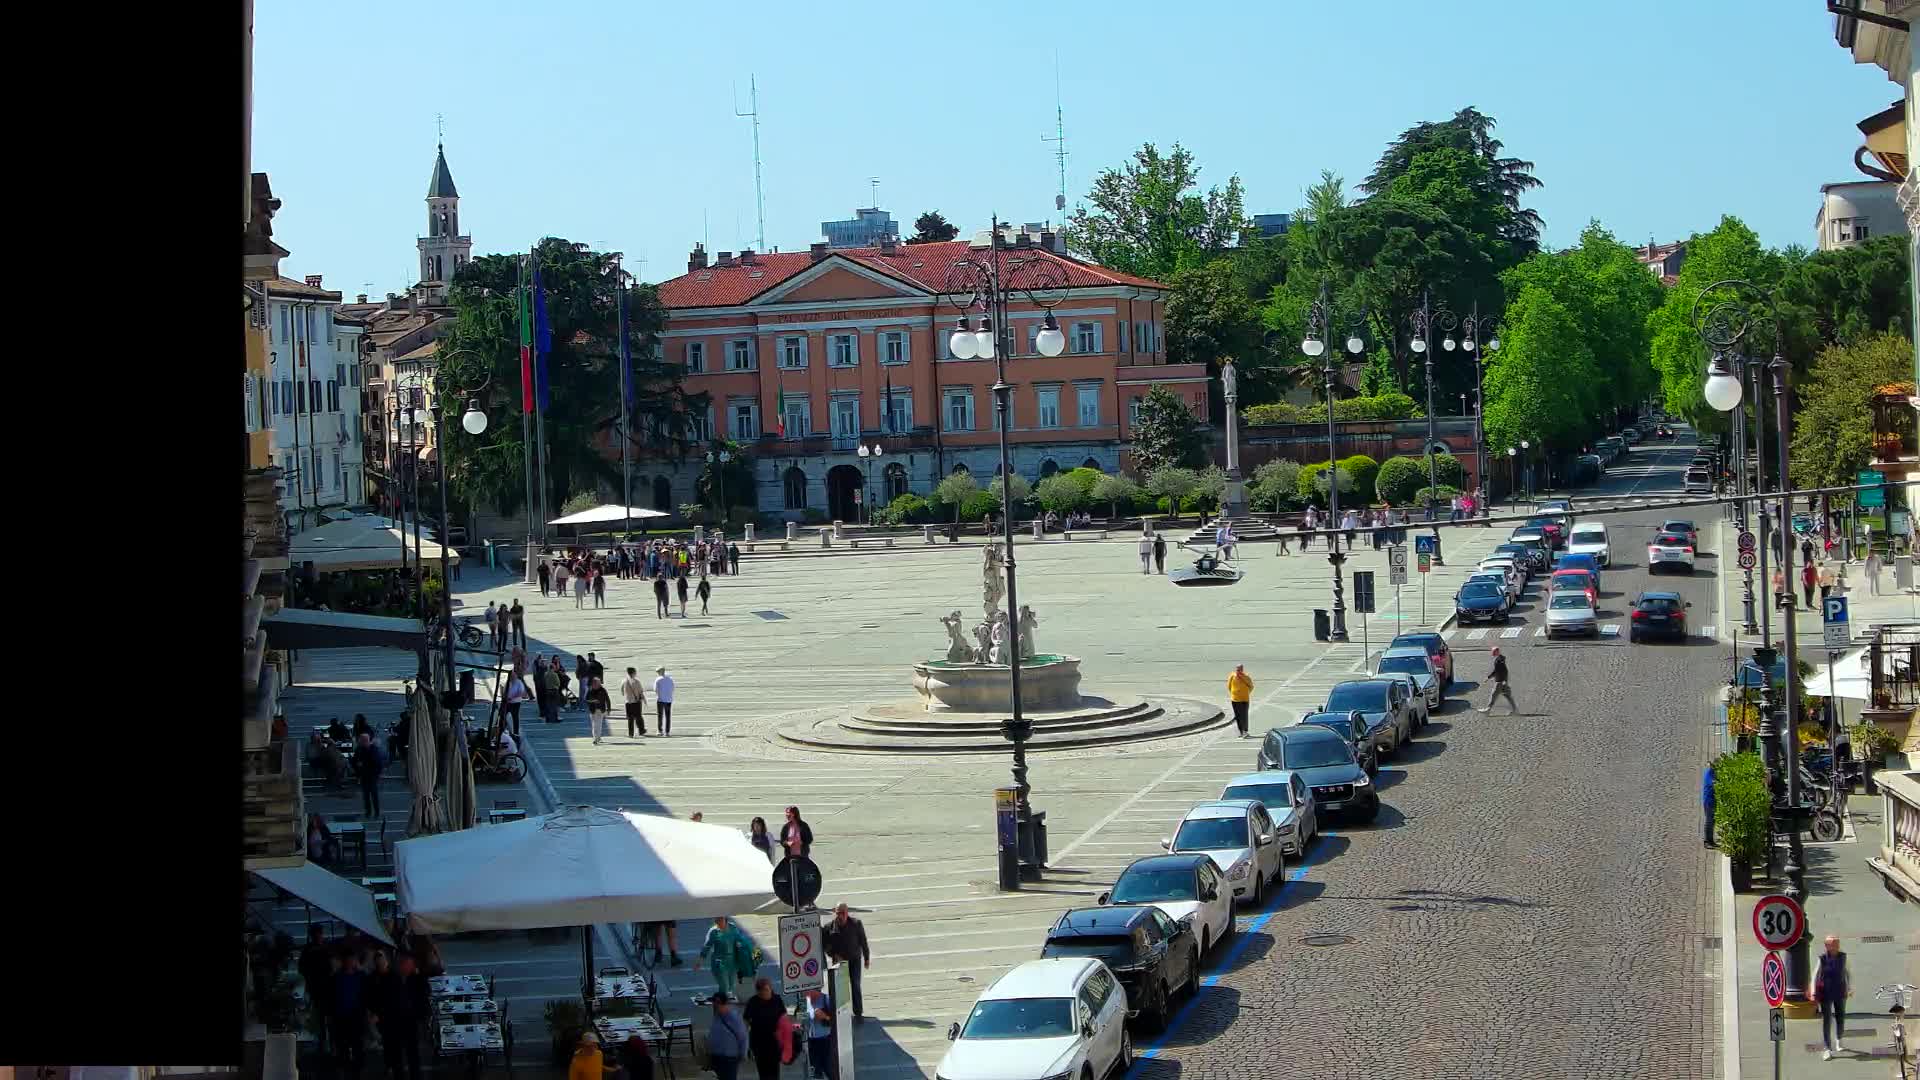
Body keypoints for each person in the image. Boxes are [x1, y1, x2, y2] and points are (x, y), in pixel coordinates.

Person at [370, 951, 428, 1080]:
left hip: (411, 1020)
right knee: (396, 1054)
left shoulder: (418, 979)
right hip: (394, 1020)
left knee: (412, 1053)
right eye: (402, 963)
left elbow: (423, 998)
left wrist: (420, 1015)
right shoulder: (390, 978)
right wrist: (380, 1015)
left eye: (407, 963)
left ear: (412, 965)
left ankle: (415, 1076)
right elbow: (383, 999)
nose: (404, 965)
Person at [822, 903, 871, 1020]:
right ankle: (840, 1012)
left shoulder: (856, 924)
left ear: (847, 912)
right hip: (839, 961)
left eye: (843, 913)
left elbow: (863, 941)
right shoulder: (829, 927)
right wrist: (833, 954)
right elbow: (825, 946)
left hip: (854, 960)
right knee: (840, 988)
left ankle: (858, 1012)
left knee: (855, 984)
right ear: (835, 912)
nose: (841, 916)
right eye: (838, 913)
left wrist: (867, 958)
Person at [331, 948, 370, 1075]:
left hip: (357, 1015)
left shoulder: (361, 976)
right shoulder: (337, 977)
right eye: (347, 960)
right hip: (341, 1015)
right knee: (343, 1044)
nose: (349, 962)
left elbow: (366, 995)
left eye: (352, 959)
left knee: (358, 1043)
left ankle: (358, 1068)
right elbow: (332, 996)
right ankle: (345, 1066)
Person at [1811, 935, 1850, 1058]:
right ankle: (1827, 1048)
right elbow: (1815, 975)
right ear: (1827, 946)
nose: (1837, 946)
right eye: (1834, 944)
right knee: (1827, 1020)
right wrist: (1813, 992)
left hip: (1840, 991)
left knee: (1840, 1017)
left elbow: (1847, 972)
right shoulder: (1822, 958)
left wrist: (1849, 988)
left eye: (1838, 944)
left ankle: (1839, 1039)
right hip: (1826, 993)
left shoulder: (1843, 957)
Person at [299, 926, 336, 1056]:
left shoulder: (326, 947)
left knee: (329, 1018)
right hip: (316, 989)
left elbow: (333, 966)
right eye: (316, 934)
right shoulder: (309, 949)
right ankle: (322, 1043)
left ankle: (331, 1043)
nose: (319, 936)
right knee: (320, 1018)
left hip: (328, 988)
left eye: (319, 934)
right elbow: (302, 968)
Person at [698, 916, 756, 997]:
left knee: (731, 985)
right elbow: (707, 946)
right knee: (724, 985)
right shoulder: (713, 931)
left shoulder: (733, 928)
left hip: (732, 961)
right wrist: (700, 961)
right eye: (717, 919)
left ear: (725, 919)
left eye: (720, 919)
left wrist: (744, 948)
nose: (718, 921)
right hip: (719, 961)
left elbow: (741, 940)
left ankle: (725, 998)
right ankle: (722, 999)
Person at [742, 977, 787, 1080]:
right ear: (758, 992)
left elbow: (783, 1017)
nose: (766, 993)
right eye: (762, 991)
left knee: (774, 1071)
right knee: (763, 1072)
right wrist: (746, 1043)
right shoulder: (753, 1001)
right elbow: (746, 1021)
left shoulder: (777, 999)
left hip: (775, 1042)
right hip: (759, 1043)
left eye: (767, 990)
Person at [706, 991, 751, 1080]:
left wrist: (743, 1054)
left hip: (729, 1058)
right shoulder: (717, 1016)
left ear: (724, 1004)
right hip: (716, 1056)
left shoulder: (734, 1017)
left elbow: (743, 1037)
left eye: (717, 1003)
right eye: (714, 1003)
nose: (714, 1006)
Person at [802, 985, 835, 1080]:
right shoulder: (805, 1001)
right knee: (815, 1069)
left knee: (828, 1067)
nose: (805, 993)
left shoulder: (826, 999)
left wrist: (825, 1017)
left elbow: (836, 1019)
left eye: (807, 990)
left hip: (825, 1038)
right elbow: (800, 1017)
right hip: (811, 1039)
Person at [353, 733, 384, 818]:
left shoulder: (372, 749)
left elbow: (376, 762)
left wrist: (361, 765)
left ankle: (374, 811)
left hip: (371, 775)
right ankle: (369, 811)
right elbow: (355, 760)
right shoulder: (360, 749)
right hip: (366, 774)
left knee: (372, 794)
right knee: (367, 795)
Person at [1479, 646, 1517, 715]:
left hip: (1500, 681)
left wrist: (1504, 680)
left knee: (1494, 695)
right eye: (1492, 651)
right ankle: (1515, 710)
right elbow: (1496, 671)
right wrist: (1488, 677)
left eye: (1494, 651)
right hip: (1502, 681)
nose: (1492, 653)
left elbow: (1504, 671)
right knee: (1507, 695)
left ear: (1497, 652)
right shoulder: (1499, 659)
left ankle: (1488, 709)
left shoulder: (1500, 660)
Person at [1227, 664, 1254, 738]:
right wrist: (1234, 693)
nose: (1238, 671)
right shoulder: (1232, 676)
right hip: (1235, 699)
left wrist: (1246, 693)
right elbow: (1229, 686)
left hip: (1244, 699)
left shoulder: (1246, 676)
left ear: (1242, 670)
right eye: (1237, 670)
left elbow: (1251, 686)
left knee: (1244, 716)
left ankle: (1245, 731)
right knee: (1238, 716)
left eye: (1239, 670)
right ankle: (1241, 731)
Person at [585, 676, 612, 745]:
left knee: (599, 724)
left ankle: (598, 738)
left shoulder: (603, 690)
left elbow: (607, 699)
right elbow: (586, 699)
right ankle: (595, 738)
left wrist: (609, 709)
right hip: (592, 709)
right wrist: (593, 701)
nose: (597, 685)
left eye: (598, 683)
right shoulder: (590, 690)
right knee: (594, 724)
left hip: (601, 709)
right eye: (595, 683)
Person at [502, 669, 529, 738]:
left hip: (516, 702)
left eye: (513, 675)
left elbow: (521, 693)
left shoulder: (519, 682)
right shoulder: (508, 682)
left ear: (515, 675)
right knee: (503, 715)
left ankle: (516, 733)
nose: (512, 676)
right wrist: (505, 697)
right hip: (508, 702)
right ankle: (502, 730)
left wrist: (512, 697)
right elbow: (504, 690)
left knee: (515, 717)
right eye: (510, 675)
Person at [622, 666, 648, 738]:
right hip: (636, 702)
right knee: (638, 717)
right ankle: (641, 730)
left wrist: (627, 695)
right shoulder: (636, 682)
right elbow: (641, 692)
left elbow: (622, 691)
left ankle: (631, 733)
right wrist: (644, 700)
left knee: (630, 719)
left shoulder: (624, 681)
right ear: (633, 673)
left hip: (628, 702)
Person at [653, 666, 675, 735]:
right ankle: (667, 732)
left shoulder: (658, 679)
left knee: (660, 716)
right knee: (668, 716)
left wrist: (659, 694)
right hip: (668, 700)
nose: (657, 673)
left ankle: (660, 731)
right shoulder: (670, 679)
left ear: (661, 672)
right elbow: (673, 688)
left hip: (660, 700)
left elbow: (655, 689)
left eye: (658, 672)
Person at [541, 659, 562, 725]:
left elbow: (544, 682)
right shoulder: (555, 674)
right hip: (554, 690)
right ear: (553, 668)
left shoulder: (545, 674)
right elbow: (558, 683)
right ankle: (555, 718)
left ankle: (548, 718)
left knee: (548, 705)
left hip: (548, 690)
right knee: (554, 705)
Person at [1701, 761, 1716, 848]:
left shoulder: (1713, 773)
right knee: (1709, 821)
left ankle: (1711, 840)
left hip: (1712, 800)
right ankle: (1706, 842)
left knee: (1712, 821)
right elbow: (1714, 784)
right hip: (1708, 800)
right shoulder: (1709, 774)